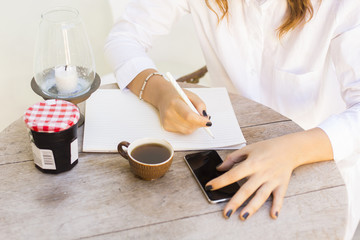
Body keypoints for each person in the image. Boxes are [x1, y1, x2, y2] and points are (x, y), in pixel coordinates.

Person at [105, 0, 360, 239]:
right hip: (228, 152)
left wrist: (291, 152)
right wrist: (160, 92)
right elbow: (124, 37)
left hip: (321, 165)